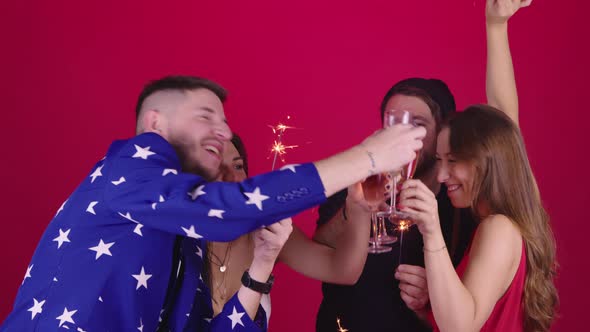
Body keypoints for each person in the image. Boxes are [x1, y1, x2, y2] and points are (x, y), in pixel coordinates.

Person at [1, 75, 425, 331]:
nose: (222, 131)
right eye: (206, 116)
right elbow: (222, 209)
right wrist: (366, 157)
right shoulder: (127, 169)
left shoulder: (186, 239)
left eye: (224, 121)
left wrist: (260, 266)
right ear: (155, 123)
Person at [398, 1, 558, 331]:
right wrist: (496, 26)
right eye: (440, 160)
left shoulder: (499, 227)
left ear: (488, 160)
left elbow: (461, 328)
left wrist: (431, 230)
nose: (441, 176)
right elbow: (505, 121)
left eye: (453, 162)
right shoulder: (511, 214)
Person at [314, 79, 475, 332]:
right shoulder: (354, 182)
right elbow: (320, 248)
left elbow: (468, 315)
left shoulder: (460, 207)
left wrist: (431, 300)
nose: (402, 136)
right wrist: (355, 208)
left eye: (417, 125)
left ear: (442, 134)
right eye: (394, 124)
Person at [188, 134, 376, 330]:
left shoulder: (266, 231)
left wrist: (358, 206)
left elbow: (343, 270)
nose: (233, 179)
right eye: (217, 168)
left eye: (238, 166)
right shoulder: (173, 238)